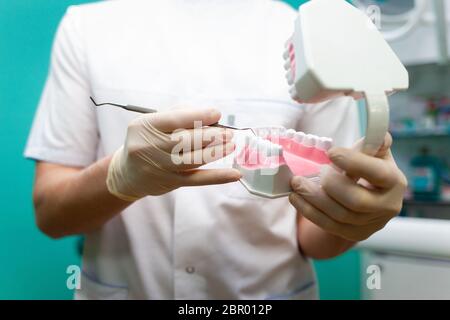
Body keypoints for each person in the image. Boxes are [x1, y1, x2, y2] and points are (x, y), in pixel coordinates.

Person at [25, 0, 407, 299]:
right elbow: (51, 216)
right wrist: (119, 177)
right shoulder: (87, 28)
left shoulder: (314, 44)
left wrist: (353, 217)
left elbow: (313, 237)